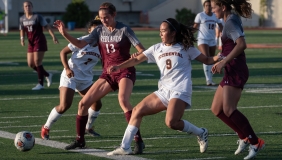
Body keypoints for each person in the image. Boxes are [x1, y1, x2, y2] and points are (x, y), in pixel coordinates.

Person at [106, 18, 221, 155]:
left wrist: (218, 57)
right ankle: (125, 147)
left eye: (163, 31)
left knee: (171, 122)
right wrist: (118, 67)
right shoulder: (156, 48)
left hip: (180, 89)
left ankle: (201, 133)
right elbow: (136, 59)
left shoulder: (186, 47)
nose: (160, 34)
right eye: (159, 31)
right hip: (164, 90)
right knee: (137, 110)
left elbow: (207, 60)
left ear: (173, 33)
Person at [53, 2, 145, 154]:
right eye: (101, 18)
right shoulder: (99, 31)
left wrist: (137, 55)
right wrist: (64, 34)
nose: (103, 20)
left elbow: (142, 51)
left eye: (106, 17)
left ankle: (138, 141)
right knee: (83, 104)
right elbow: (80, 43)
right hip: (108, 74)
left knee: (123, 101)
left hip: (124, 70)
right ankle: (80, 140)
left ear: (114, 15)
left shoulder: (124, 29)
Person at [210, 0, 265, 159]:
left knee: (229, 109)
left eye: (215, 7)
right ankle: (243, 137)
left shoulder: (231, 21)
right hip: (230, 68)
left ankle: (255, 142)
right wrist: (220, 58)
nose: (213, 10)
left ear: (223, 7)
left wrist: (224, 61)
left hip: (236, 68)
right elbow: (230, 46)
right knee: (216, 109)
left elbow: (241, 44)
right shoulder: (228, 20)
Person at [41, 18, 103, 140]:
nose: (96, 32)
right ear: (89, 31)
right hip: (71, 75)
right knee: (65, 105)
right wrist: (67, 68)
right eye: (94, 30)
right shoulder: (82, 40)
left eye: (99, 30)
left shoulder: (103, 46)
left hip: (86, 79)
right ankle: (46, 127)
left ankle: (87, 128)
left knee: (97, 104)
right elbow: (63, 53)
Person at [19, 1, 58, 90]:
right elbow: (22, 29)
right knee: (31, 64)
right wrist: (22, 39)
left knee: (37, 62)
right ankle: (47, 74)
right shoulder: (22, 19)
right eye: (26, 6)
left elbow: (47, 26)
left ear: (32, 7)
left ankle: (41, 84)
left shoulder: (37, 17)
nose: (27, 7)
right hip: (31, 43)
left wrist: (53, 36)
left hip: (39, 41)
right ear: (23, 8)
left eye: (29, 6)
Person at [193, 0, 223, 86]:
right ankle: (208, 79)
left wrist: (224, 32)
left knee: (211, 59)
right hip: (202, 39)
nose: (208, 7)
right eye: (206, 5)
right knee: (205, 57)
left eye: (210, 5)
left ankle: (210, 78)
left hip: (212, 39)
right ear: (204, 6)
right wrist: (189, 34)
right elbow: (195, 27)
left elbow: (221, 25)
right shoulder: (200, 15)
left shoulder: (215, 15)